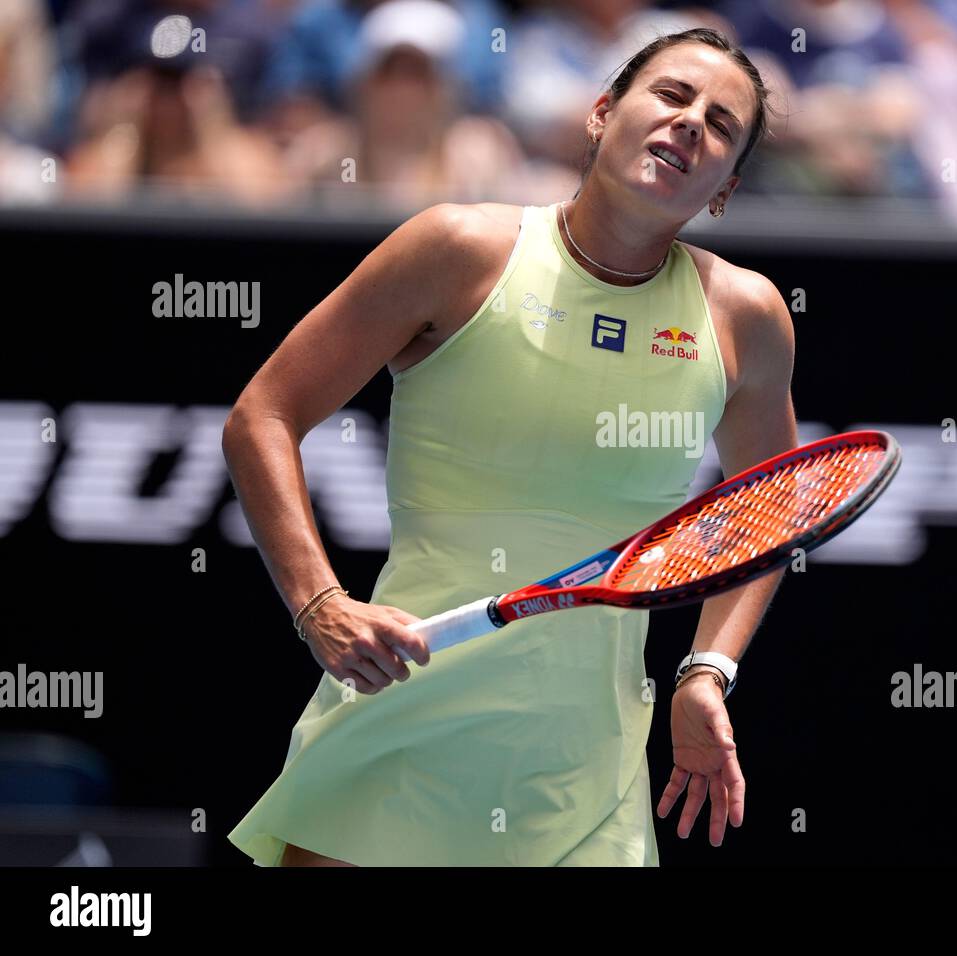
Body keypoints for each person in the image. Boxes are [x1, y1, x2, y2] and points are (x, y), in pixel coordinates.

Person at [224, 27, 798, 866]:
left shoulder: (745, 316)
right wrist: (320, 605)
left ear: (726, 189)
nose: (689, 124)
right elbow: (263, 415)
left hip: (587, 780)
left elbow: (771, 509)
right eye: (672, 96)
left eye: (720, 125)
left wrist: (706, 669)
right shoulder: (456, 248)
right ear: (601, 113)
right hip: (398, 739)